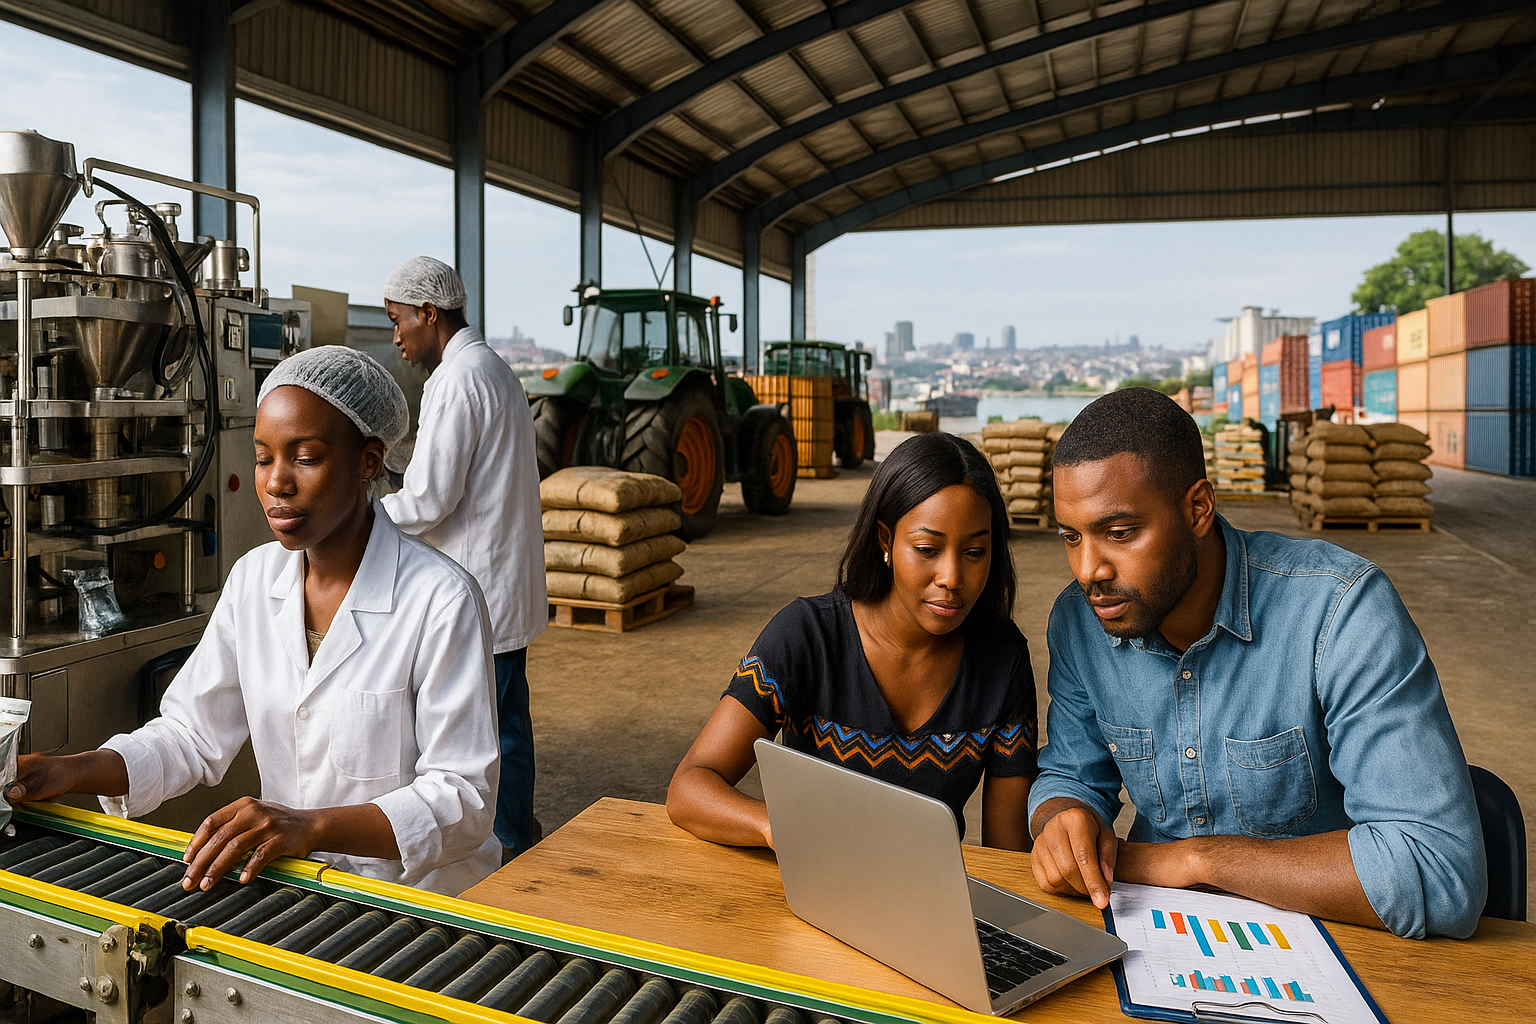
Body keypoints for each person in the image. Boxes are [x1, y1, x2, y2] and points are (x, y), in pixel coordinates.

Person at [6, 347, 501, 896]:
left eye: (306, 457)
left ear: (368, 461)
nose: (276, 483)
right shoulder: (254, 580)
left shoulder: (439, 598)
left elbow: (463, 798)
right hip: (298, 889)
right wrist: (71, 770)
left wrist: (308, 826)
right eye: (264, 458)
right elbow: (190, 734)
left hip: (421, 904)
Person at [1028, 387, 1486, 939]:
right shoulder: (1080, 622)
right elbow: (1070, 776)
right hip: (1155, 936)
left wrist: (1199, 861)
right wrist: (1062, 819)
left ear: (1198, 508)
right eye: (1071, 537)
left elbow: (1439, 870)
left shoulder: (1340, 611)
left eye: (1119, 533)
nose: (1088, 570)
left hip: (1338, 946)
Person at [668, 433, 1037, 850]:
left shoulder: (1002, 660)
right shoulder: (806, 636)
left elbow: (1008, 854)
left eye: (974, 552)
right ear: (885, 541)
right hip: (808, 889)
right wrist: (780, 826)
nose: (951, 577)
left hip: (930, 904)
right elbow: (690, 786)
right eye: (927, 548)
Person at [378, 257, 545, 860]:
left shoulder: (455, 379)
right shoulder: (493, 368)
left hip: (482, 590)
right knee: (509, 730)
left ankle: (505, 852)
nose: (396, 335)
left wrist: (359, 520)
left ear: (430, 313)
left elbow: (429, 499)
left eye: (399, 320)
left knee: (487, 737)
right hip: (504, 583)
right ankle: (519, 838)